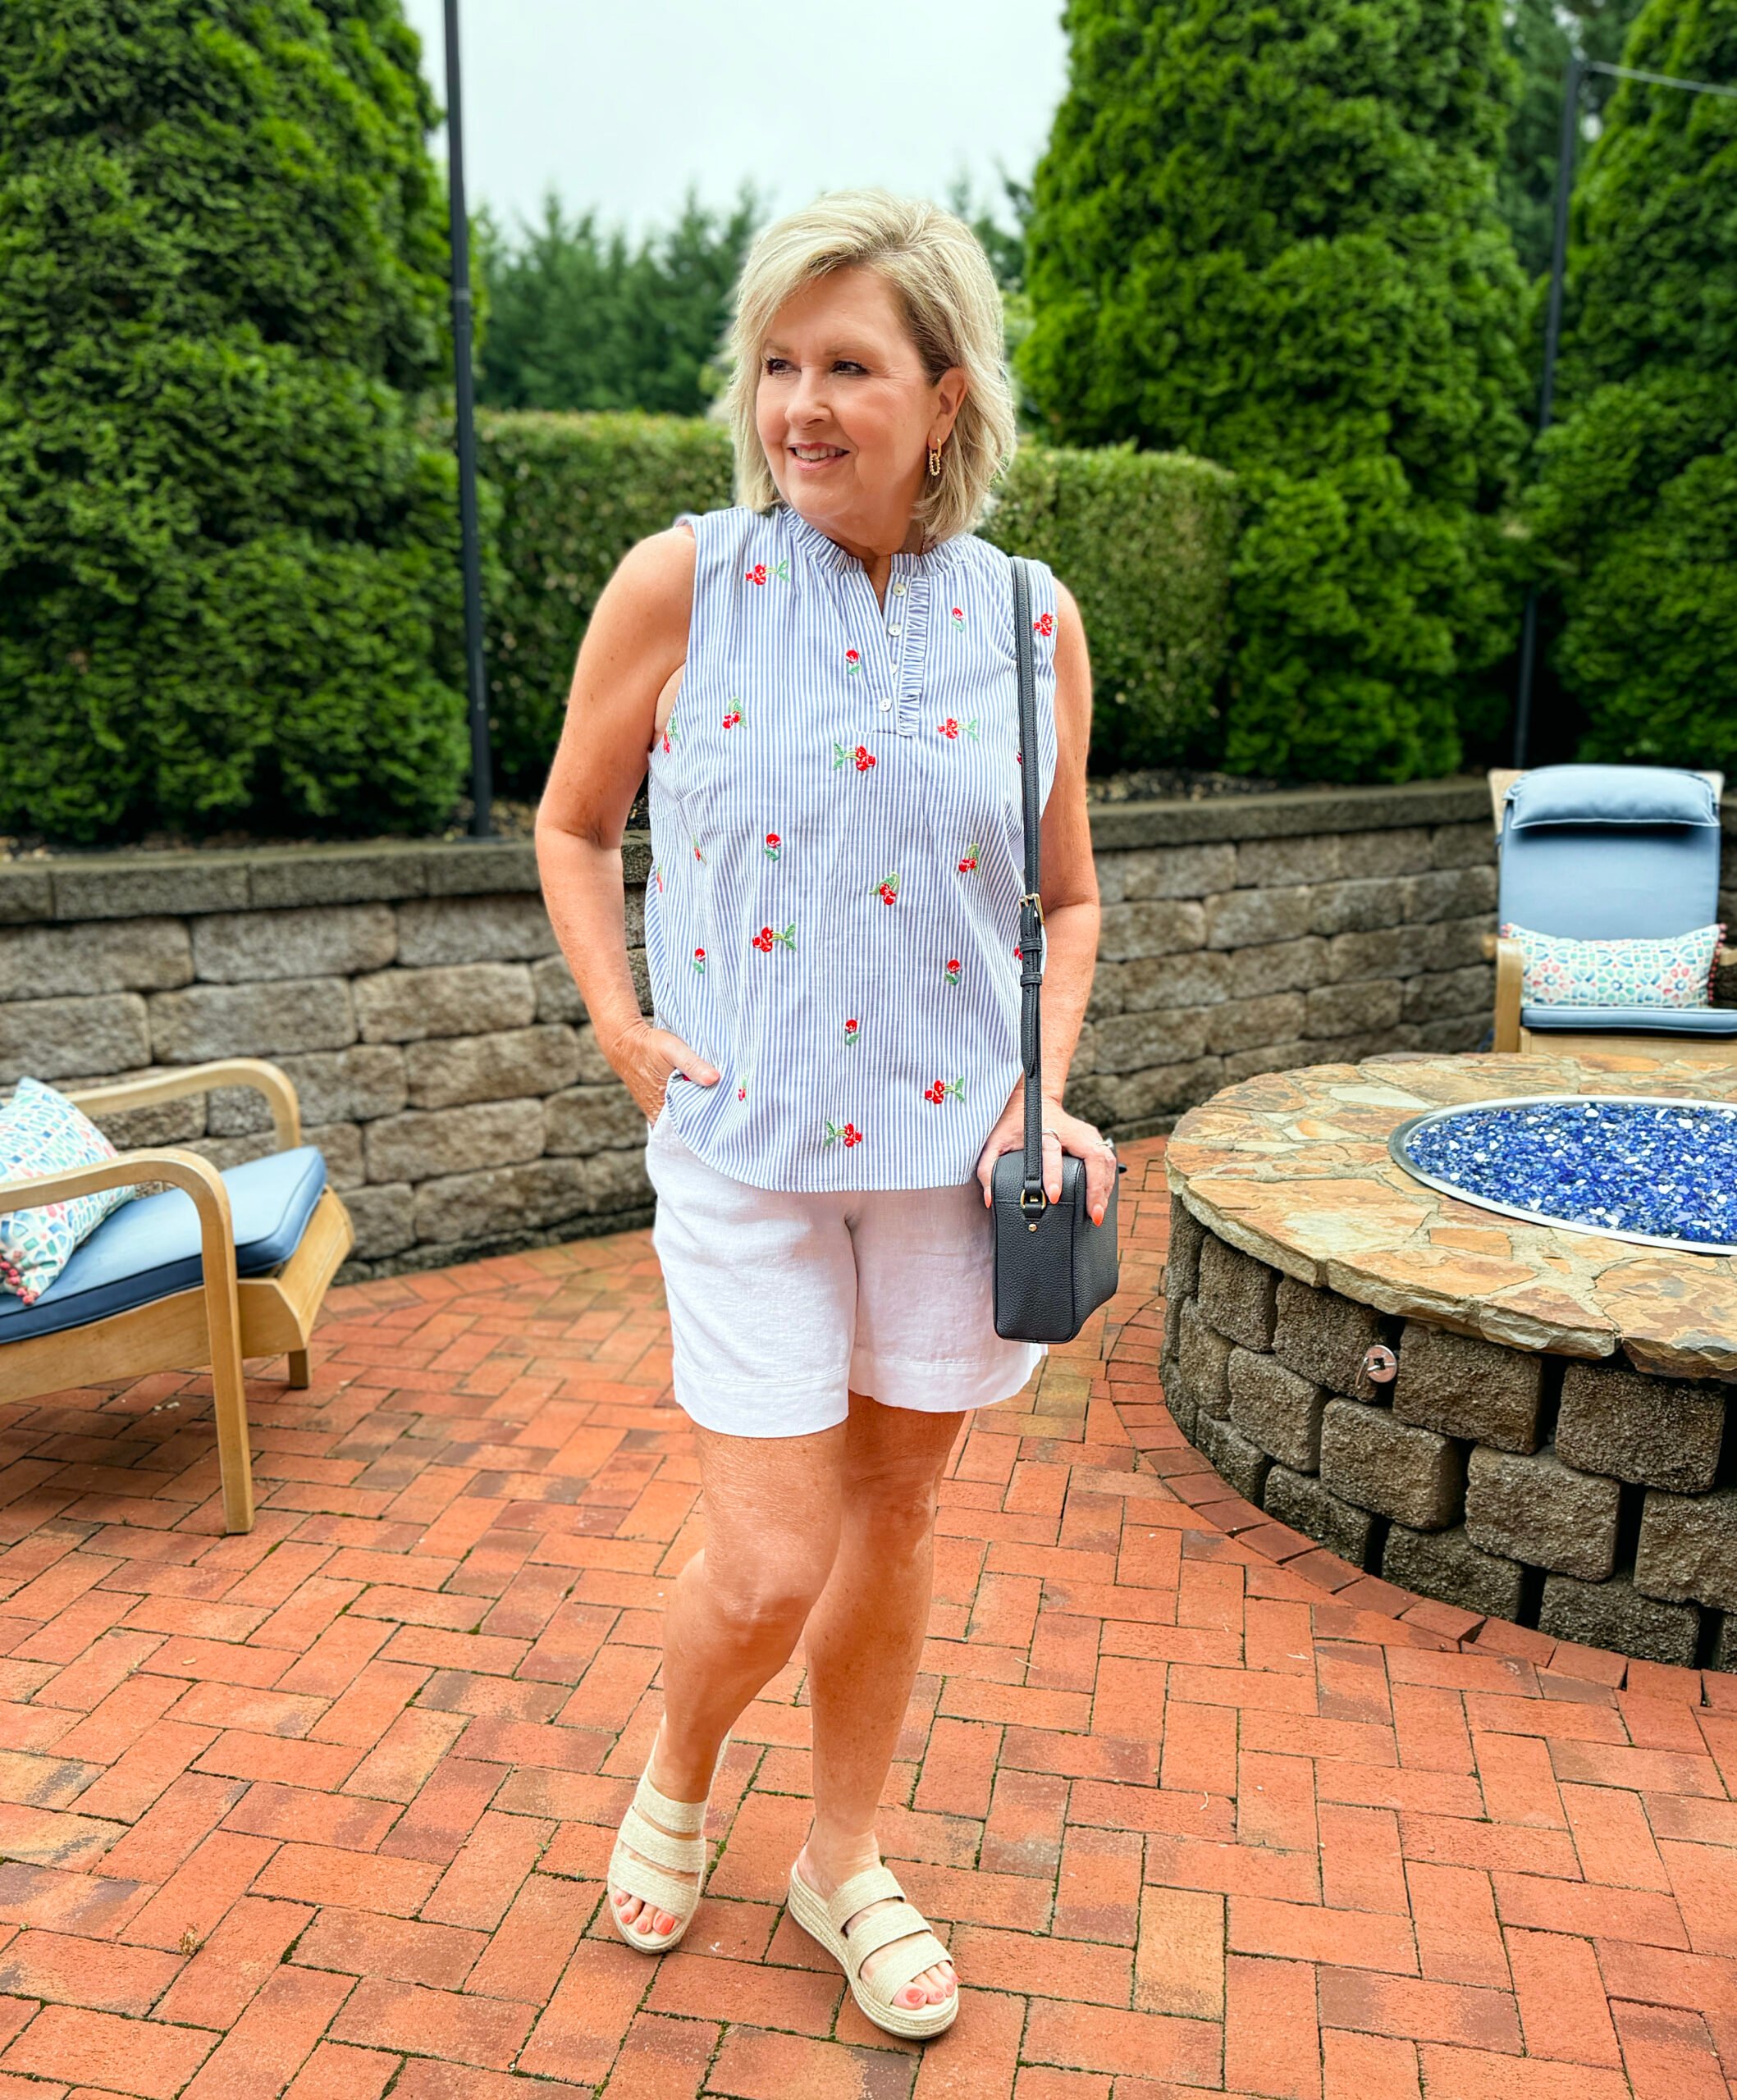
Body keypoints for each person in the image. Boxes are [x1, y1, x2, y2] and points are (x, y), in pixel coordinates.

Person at [533, 188, 1112, 2043]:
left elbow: (1067, 899)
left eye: (847, 365)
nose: (799, 403)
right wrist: (620, 1020)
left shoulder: (1029, 616)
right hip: (748, 1159)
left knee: (895, 1525)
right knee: (773, 1556)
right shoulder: (685, 581)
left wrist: (1043, 1089)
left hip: (950, 1172)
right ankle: (680, 1766)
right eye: (776, 363)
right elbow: (573, 823)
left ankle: (841, 1855)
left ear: (944, 396)